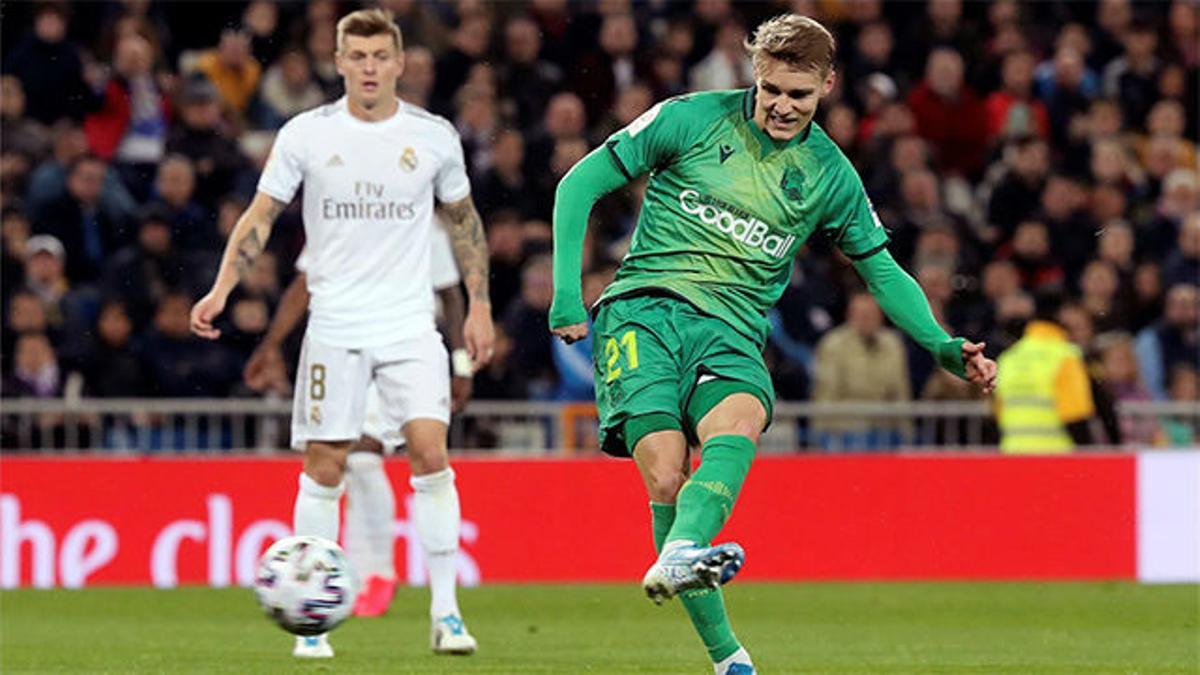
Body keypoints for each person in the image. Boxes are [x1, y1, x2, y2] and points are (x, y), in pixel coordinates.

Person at [550, 14, 996, 675]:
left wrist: (938, 342)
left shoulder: (829, 174)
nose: (784, 106)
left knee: (744, 417)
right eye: (773, 91)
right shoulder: (689, 118)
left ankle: (687, 559)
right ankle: (726, 653)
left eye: (801, 95)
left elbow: (880, 267)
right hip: (643, 313)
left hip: (731, 330)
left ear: (828, 86)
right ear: (754, 77)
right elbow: (578, 183)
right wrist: (565, 294)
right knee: (668, 473)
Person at [189, 9, 493, 659]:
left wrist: (480, 305)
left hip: (410, 323)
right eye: (357, 56)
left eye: (380, 56)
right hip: (335, 324)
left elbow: (465, 223)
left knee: (430, 454)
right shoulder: (306, 134)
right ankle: (314, 626)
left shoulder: (433, 136)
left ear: (400, 61)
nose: (369, 68)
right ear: (338, 61)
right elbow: (261, 215)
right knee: (324, 466)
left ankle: (447, 613)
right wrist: (221, 289)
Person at [242, 220, 472, 619]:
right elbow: (305, 284)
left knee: (365, 450)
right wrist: (271, 344)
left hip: (403, 342)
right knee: (342, 457)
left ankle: (376, 572)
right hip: (342, 341)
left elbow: (450, 295)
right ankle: (359, 573)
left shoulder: (417, 220)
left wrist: (462, 364)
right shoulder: (334, 215)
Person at [994, 292, 1098, 453]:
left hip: (1013, 455)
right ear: (1061, 315)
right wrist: (1089, 462)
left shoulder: (1008, 358)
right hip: (1055, 457)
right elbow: (1075, 417)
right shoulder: (1066, 356)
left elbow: (998, 414)